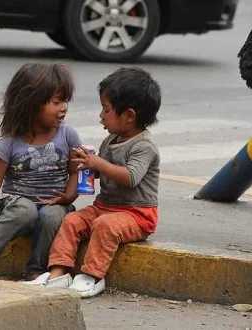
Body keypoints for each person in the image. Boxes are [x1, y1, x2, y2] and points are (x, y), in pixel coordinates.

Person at [33, 67, 161, 298]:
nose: (101, 116)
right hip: (104, 207)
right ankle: (58, 272)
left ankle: (91, 276)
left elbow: (131, 177)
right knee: (72, 220)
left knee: (106, 226)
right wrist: (84, 166)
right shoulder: (110, 140)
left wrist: (98, 163)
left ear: (129, 115)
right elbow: (103, 173)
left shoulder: (144, 146)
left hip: (137, 214)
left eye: (106, 109)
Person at [0, 63, 82, 281]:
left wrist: (69, 195)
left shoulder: (68, 136)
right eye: (56, 102)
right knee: (25, 210)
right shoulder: (10, 143)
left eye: (65, 101)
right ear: (31, 105)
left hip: (55, 203)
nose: (63, 108)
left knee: (52, 215)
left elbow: (75, 172)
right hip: (16, 203)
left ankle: (36, 269)